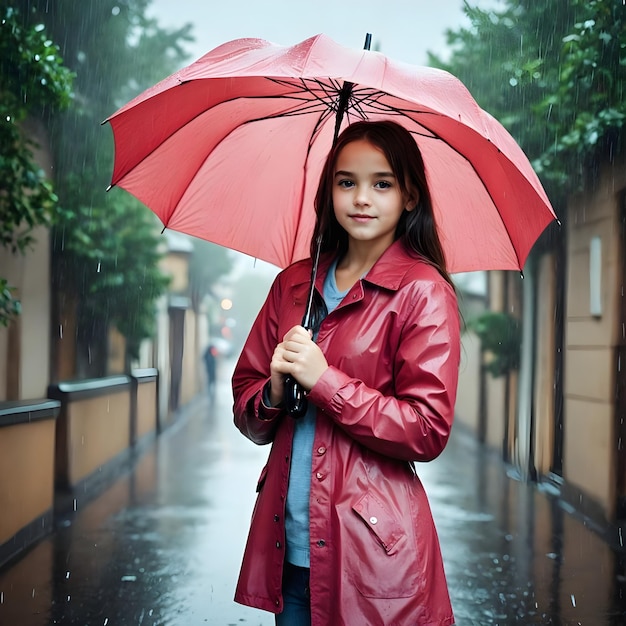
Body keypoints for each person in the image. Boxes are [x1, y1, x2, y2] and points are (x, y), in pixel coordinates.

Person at [232, 120, 460, 626]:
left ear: (409, 197)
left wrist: (324, 381)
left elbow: (427, 429)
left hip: (373, 558)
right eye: (346, 181)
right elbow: (246, 411)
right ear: (328, 190)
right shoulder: (293, 284)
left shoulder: (423, 292)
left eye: (382, 183)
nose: (361, 197)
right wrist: (272, 390)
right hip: (288, 549)